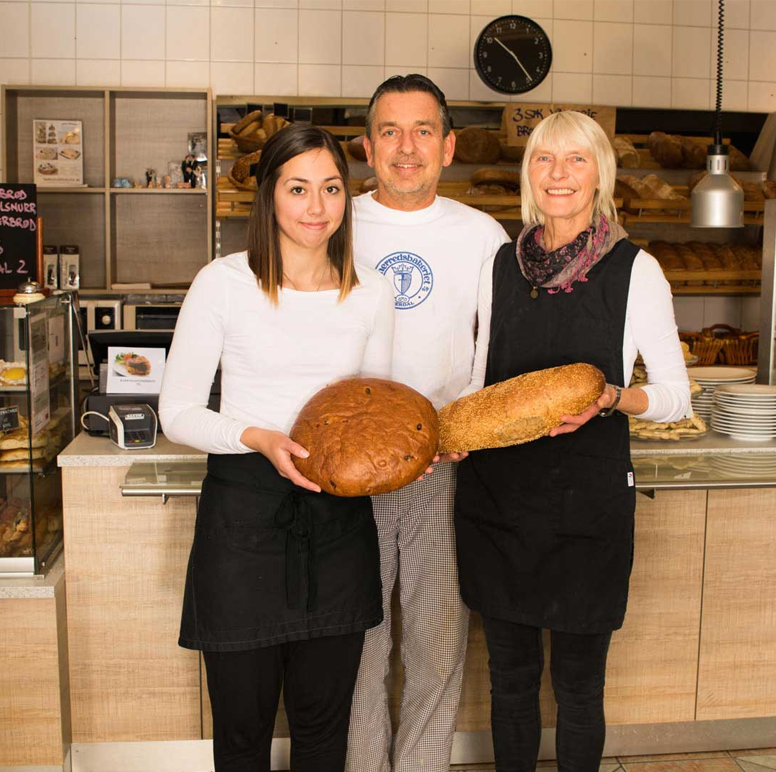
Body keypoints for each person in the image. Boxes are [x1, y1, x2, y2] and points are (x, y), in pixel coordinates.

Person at [454, 111, 692, 772]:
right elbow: (482, 382)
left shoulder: (633, 270)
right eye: (544, 159)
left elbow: (676, 396)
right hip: (497, 506)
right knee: (509, 683)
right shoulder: (500, 265)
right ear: (529, 172)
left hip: (585, 509)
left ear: (600, 174)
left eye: (576, 159)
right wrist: (453, 435)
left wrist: (613, 399)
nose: (558, 174)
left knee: (579, 691)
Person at [159, 124, 395, 772]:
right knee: (242, 735)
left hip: (338, 524)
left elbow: (371, 410)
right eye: (298, 188)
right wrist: (256, 437)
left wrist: (401, 455)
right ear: (269, 195)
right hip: (243, 525)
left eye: (330, 189)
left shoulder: (372, 292)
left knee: (324, 733)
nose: (316, 207)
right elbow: (176, 412)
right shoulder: (224, 283)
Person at [346, 74, 510, 772]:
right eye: (389, 131)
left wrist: (464, 427)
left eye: (421, 131)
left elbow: (495, 345)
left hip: (445, 465)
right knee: (360, 636)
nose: (405, 147)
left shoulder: (482, 235)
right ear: (366, 146)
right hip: (351, 471)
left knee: (438, 637)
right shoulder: (333, 219)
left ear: (448, 146)